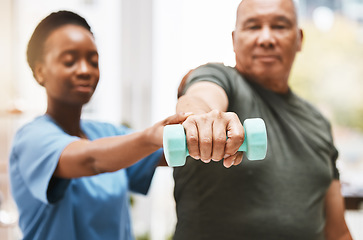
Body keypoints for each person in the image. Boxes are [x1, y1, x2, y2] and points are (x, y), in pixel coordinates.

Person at [173, 0, 352, 239]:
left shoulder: (318, 121)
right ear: (235, 39)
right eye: (253, 26)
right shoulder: (218, 77)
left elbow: (337, 232)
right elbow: (200, 97)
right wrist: (201, 120)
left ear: (299, 38)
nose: (266, 38)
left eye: (279, 26)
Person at [9, 10, 189, 240]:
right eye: (69, 61)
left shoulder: (107, 133)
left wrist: (196, 93)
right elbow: (90, 159)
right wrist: (151, 135)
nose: (85, 70)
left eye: (93, 61)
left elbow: (176, 149)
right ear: (40, 71)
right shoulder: (31, 139)